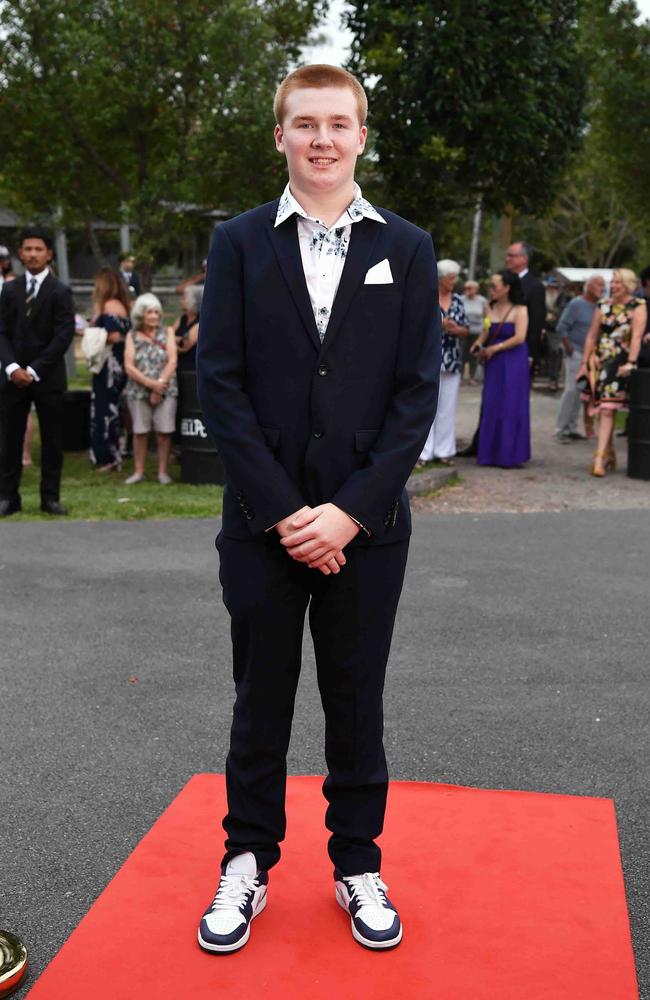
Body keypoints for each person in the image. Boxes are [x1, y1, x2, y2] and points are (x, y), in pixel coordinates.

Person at [196, 64, 440, 955]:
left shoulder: (407, 248)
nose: (323, 139)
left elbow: (417, 397)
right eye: (306, 124)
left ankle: (357, 862)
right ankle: (248, 860)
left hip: (369, 532)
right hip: (261, 525)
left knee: (355, 701)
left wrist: (347, 514)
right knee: (259, 701)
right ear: (280, 136)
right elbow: (218, 386)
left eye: (339, 123)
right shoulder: (238, 243)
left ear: (362, 135)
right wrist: (288, 512)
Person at [0, 226, 75, 516]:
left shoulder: (60, 291)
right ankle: (8, 497)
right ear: (20, 253)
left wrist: (33, 369)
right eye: (28, 249)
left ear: (48, 254)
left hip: (47, 379)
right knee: (9, 439)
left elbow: (63, 335)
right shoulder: (9, 289)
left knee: (52, 441)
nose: (32, 254)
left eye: (38, 249)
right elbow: (2, 332)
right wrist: (12, 368)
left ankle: (50, 497)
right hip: (12, 379)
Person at [577, 268, 646, 477]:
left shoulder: (638, 306)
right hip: (599, 359)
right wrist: (584, 363)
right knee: (601, 406)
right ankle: (608, 452)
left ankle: (599, 457)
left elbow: (636, 336)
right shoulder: (603, 305)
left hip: (620, 361)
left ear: (628, 285)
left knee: (608, 409)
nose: (614, 286)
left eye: (618, 283)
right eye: (613, 282)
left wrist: (631, 362)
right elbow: (591, 335)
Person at [470, 270, 530, 467]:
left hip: (513, 361)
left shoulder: (520, 310)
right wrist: (478, 344)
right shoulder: (489, 307)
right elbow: (486, 331)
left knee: (510, 404)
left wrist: (495, 348)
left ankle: (509, 454)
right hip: (494, 362)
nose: (491, 290)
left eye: (494, 286)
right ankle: (489, 453)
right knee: (492, 403)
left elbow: (520, 337)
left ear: (507, 288)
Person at [123, 293, 178, 484]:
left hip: (166, 389)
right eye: (149, 312)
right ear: (140, 315)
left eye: (156, 312)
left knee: (164, 432)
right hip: (138, 390)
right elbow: (129, 365)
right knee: (140, 432)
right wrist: (150, 384)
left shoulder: (168, 332)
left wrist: (159, 385)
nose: (154, 316)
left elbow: (172, 360)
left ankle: (162, 472)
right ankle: (139, 471)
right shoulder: (131, 335)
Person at [418, 259, 468, 466]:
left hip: (451, 359)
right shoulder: (427, 297)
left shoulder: (458, 300)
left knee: (447, 407)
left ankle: (445, 450)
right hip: (429, 358)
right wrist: (440, 325)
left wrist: (457, 329)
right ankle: (423, 452)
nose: (454, 282)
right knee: (426, 405)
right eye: (451, 278)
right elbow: (419, 326)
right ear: (440, 278)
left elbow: (467, 330)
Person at [89, 267, 132, 471]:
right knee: (114, 408)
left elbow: (115, 336)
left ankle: (108, 455)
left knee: (106, 409)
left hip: (110, 365)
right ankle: (116, 450)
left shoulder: (109, 306)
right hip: (117, 363)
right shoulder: (122, 305)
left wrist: (91, 332)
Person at [555, 275, 605, 442]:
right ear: (589, 286)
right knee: (571, 390)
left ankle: (571, 427)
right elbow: (562, 326)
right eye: (599, 284)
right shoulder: (577, 304)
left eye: (604, 285)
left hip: (589, 354)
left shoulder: (598, 307)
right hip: (576, 351)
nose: (602, 288)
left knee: (579, 392)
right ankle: (562, 429)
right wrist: (569, 348)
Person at [504, 241, 546, 379]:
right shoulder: (502, 279)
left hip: (520, 348)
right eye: (507, 255)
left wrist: (531, 355)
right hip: (499, 346)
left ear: (524, 259)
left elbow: (536, 322)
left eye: (512, 256)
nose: (507, 259)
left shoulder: (535, 286)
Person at [171, 284, 202, 371]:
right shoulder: (182, 318)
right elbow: (167, 335)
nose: (180, 301)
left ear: (193, 301)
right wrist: (179, 339)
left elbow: (185, 345)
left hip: (191, 367)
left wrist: (170, 344)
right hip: (177, 365)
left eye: (183, 298)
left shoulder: (199, 321)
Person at [461, 279, 487, 383]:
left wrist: (485, 330)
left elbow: (486, 317)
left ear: (476, 289)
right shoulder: (461, 299)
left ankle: (472, 377)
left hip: (478, 332)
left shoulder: (482, 301)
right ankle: (461, 376)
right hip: (463, 331)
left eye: (470, 288)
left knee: (474, 354)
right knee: (462, 354)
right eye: (466, 288)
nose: (467, 290)